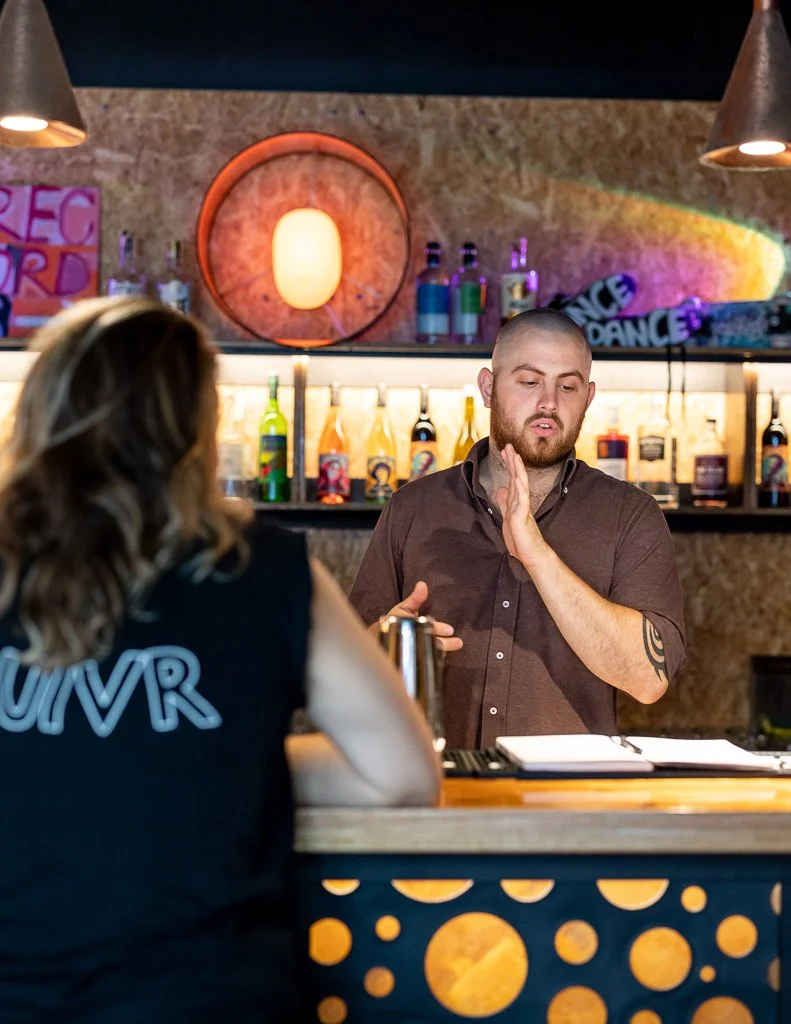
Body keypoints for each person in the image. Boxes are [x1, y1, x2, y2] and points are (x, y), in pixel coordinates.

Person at [0, 296, 440, 1024]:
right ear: (196, 427)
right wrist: (216, 755)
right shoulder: (259, 567)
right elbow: (399, 776)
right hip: (207, 996)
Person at [350, 307, 686, 749]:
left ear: (587, 397)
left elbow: (648, 680)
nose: (549, 401)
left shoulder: (630, 515)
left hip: (566, 803)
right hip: (437, 793)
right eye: (529, 382)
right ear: (488, 388)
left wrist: (537, 554)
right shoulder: (413, 508)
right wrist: (382, 647)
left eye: (567, 386)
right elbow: (342, 674)